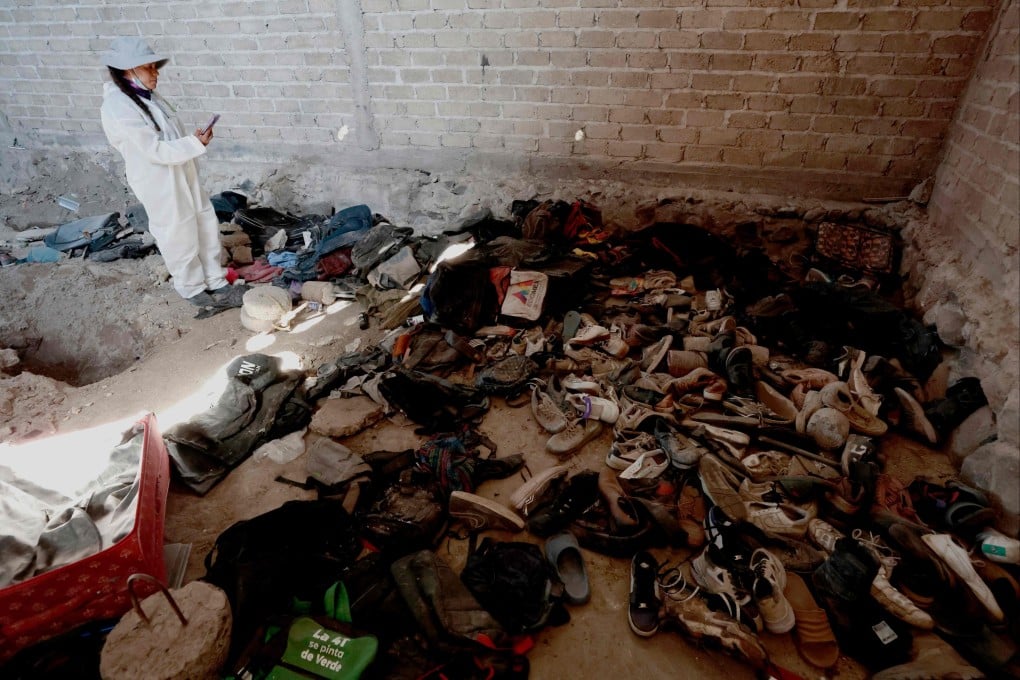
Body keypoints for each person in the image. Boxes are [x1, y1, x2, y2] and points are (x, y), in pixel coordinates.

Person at [100, 36, 244, 309]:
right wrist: (193, 145)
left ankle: (216, 280)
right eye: (148, 68)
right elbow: (152, 149)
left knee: (204, 222)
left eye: (155, 67)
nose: (155, 74)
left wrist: (192, 140)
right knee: (178, 232)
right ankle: (191, 288)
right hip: (159, 180)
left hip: (181, 171)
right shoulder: (117, 106)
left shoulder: (149, 97)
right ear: (127, 70)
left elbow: (168, 136)